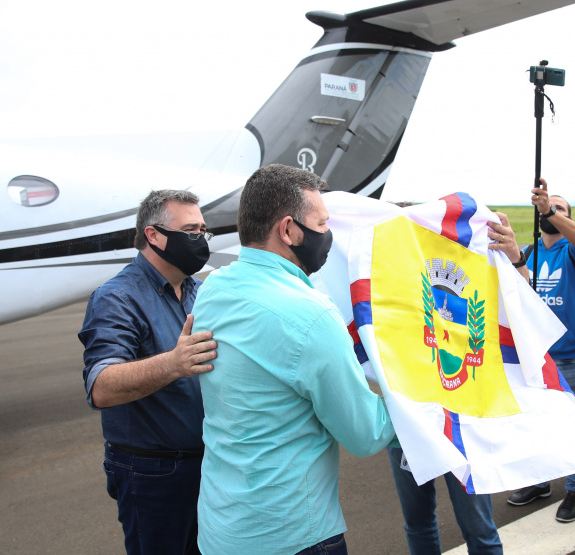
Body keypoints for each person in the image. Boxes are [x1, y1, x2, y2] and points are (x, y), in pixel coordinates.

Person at [191, 164, 396, 554]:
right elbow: (365, 432)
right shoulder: (311, 316)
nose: (327, 235)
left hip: (222, 529)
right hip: (291, 533)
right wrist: (422, 404)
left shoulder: (213, 289)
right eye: (321, 224)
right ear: (288, 231)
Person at [78, 190, 218, 555]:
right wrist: (173, 363)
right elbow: (102, 387)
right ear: (153, 235)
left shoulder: (200, 291)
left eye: (203, 231)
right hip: (154, 474)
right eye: (190, 231)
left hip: (211, 466)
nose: (200, 240)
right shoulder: (117, 297)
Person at [382, 211, 522, 555]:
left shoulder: (472, 266)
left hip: (462, 421)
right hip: (409, 421)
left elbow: (518, 308)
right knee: (417, 523)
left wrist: (514, 260)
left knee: (479, 528)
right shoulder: (390, 277)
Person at [506, 178, 575, 524]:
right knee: (537, 424)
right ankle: (540, 481)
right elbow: (521, 290)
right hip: (537, 355)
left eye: (561, 209)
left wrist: (551, 212)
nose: (550, 211)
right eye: (545, 207)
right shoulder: (532, 251)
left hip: (573, 354)